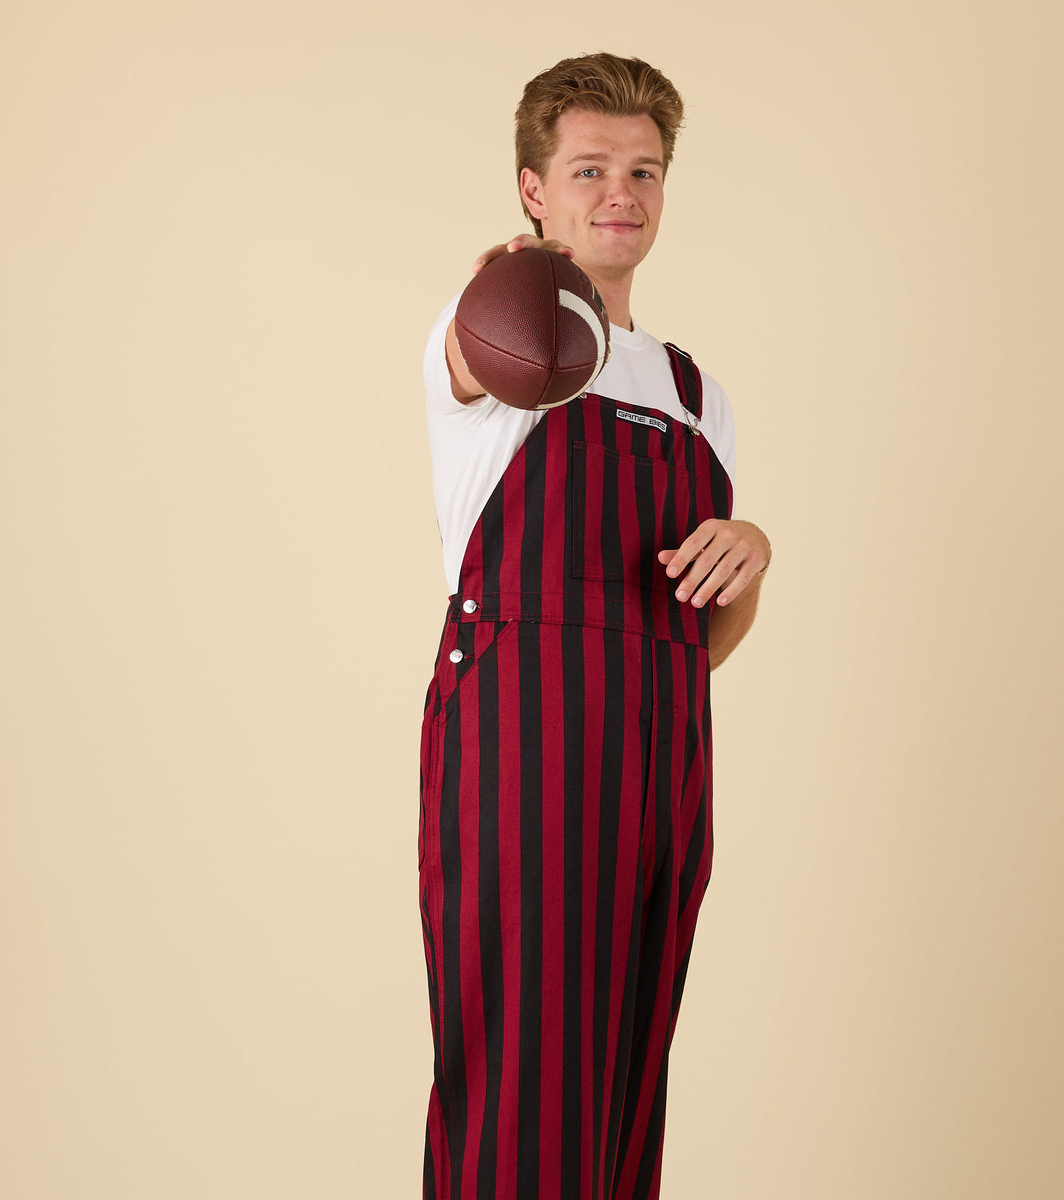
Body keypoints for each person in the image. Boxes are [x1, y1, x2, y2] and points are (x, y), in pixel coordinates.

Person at [418, 52, 770, 1200]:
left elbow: (702, 630)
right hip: (529, 739)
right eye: (588, 170)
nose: (621, 193)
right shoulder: (504, 329)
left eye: (645, 171)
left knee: (623, 1077)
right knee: (525, 1073)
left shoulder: (691, 386)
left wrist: (749, 560)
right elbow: (486, 355)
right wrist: (512, 288)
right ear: (533, 190)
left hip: (664, 742)